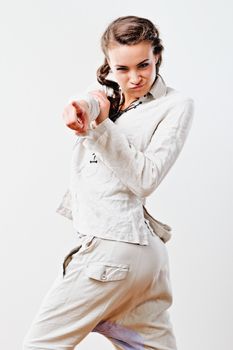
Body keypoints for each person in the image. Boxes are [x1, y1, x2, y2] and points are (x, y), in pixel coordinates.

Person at [23, 15, 194, 350]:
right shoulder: (106, 95)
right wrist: (80, 109)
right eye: (122, 69)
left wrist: (100, 126)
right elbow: (88, 101)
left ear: (157, 55)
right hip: (140, 258)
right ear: (109, 66)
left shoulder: (175, 106)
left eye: (143, 65)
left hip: (112, 251)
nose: (134, 78)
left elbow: (146, 178)